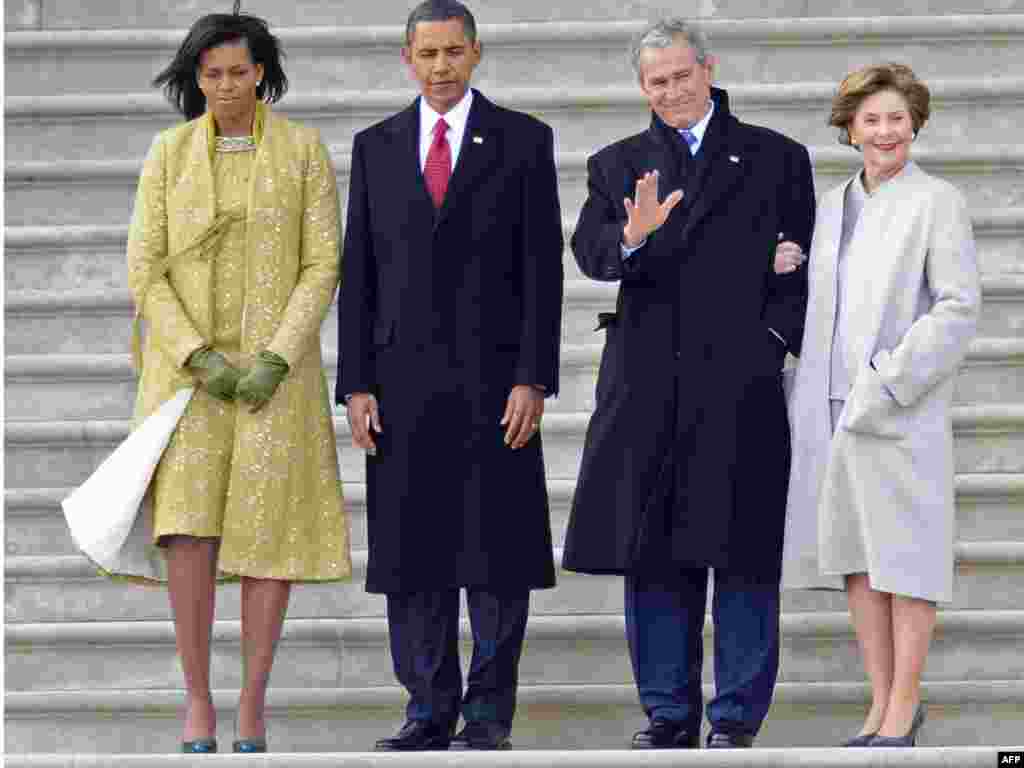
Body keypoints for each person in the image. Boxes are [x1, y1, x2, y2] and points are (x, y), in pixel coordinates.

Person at [561, 17, 815, 750]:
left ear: (708, 68)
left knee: (743, 553)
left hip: (740, 379)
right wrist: (633, 235)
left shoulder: (776, 157)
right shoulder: (617, 164)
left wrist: (771, 341)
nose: (670, 91)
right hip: (647, 383)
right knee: (655, 554)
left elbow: (807, 270)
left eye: (680, 75)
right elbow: (592, 254)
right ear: (642, 87)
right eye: (655, 81)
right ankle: (668, 713)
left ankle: (734, 717)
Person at [336, 0, 564, 752]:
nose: (440, 67)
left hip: (498, 385)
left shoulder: (525, 141)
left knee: (497, 560)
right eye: (427, 54)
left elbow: (541, 270)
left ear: (476, 55)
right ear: (408, 58)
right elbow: (359, 271)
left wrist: (533, 376)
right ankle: (427, 709)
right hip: (401, 388)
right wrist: (357, 382)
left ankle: (489, 715)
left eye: (453, 53)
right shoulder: (377, 146)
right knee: (413, 558)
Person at [127, 5, 350, 754]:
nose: (226, 85)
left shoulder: (304, 150)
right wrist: (198, 356)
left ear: (262, 73)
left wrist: (277, 358)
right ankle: (198, 702)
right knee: (187, 533)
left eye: (239, 72)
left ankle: (253, 704)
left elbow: (324, 262)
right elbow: (145, 269)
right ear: (197, 78)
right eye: (212, 74)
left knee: (268, 534)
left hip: (273, 381)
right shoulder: (166, 153)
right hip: (187, 379)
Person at [780, 63, 980, 748]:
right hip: (833, 406)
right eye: (872, 120)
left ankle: (905, 702)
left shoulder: (938, 201)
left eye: (898, 118)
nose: (886, 131)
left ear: (915, 123)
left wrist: (889, 380)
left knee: (908, 558)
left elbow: (957, 308)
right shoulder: (832, 204)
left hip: (899, 406)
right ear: (850, 127)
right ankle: (880, 705)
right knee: (859, 561)